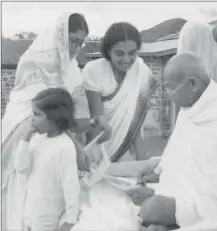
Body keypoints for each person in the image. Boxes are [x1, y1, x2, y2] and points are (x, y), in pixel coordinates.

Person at [125, 52, 217, 230]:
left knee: (151, 209)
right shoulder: (189, 107)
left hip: (214, 203)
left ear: (193, 83)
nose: (168, 95)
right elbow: (180, 153)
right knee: (147, 203)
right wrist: (160, 172)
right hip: (187, 193)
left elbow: (212, 185)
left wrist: (159, 193)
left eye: (170, 88)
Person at [1, 12, 99, 231]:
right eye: (72, 41)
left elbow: (65, 116)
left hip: (55, 144)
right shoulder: (37, 61)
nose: (75, 48)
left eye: (80, 43)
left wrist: (86, 129)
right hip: (27, 139)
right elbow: (29, 110)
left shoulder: (72, 67)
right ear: (61, 37)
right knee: (22, 196)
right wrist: (74, 144)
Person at [82, 22, 157, 161]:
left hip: (124, 150)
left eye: (132, 53)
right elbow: (97, 118)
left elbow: (135, 123)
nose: (126, 60)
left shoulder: (141, 71)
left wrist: (142, 161)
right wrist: (91, 159)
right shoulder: (94, 70)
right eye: (119, 53)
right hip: (98, 148)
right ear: (109, 50)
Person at [15, 88, 80, 231]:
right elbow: (21, 167)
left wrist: (70, 220)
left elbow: (71, 186)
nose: (32, 119)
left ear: (54, 117)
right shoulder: (37, 139)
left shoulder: (65, 147)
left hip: (47, 217)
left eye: (37, 114)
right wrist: (25, 138)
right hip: (30, 212)